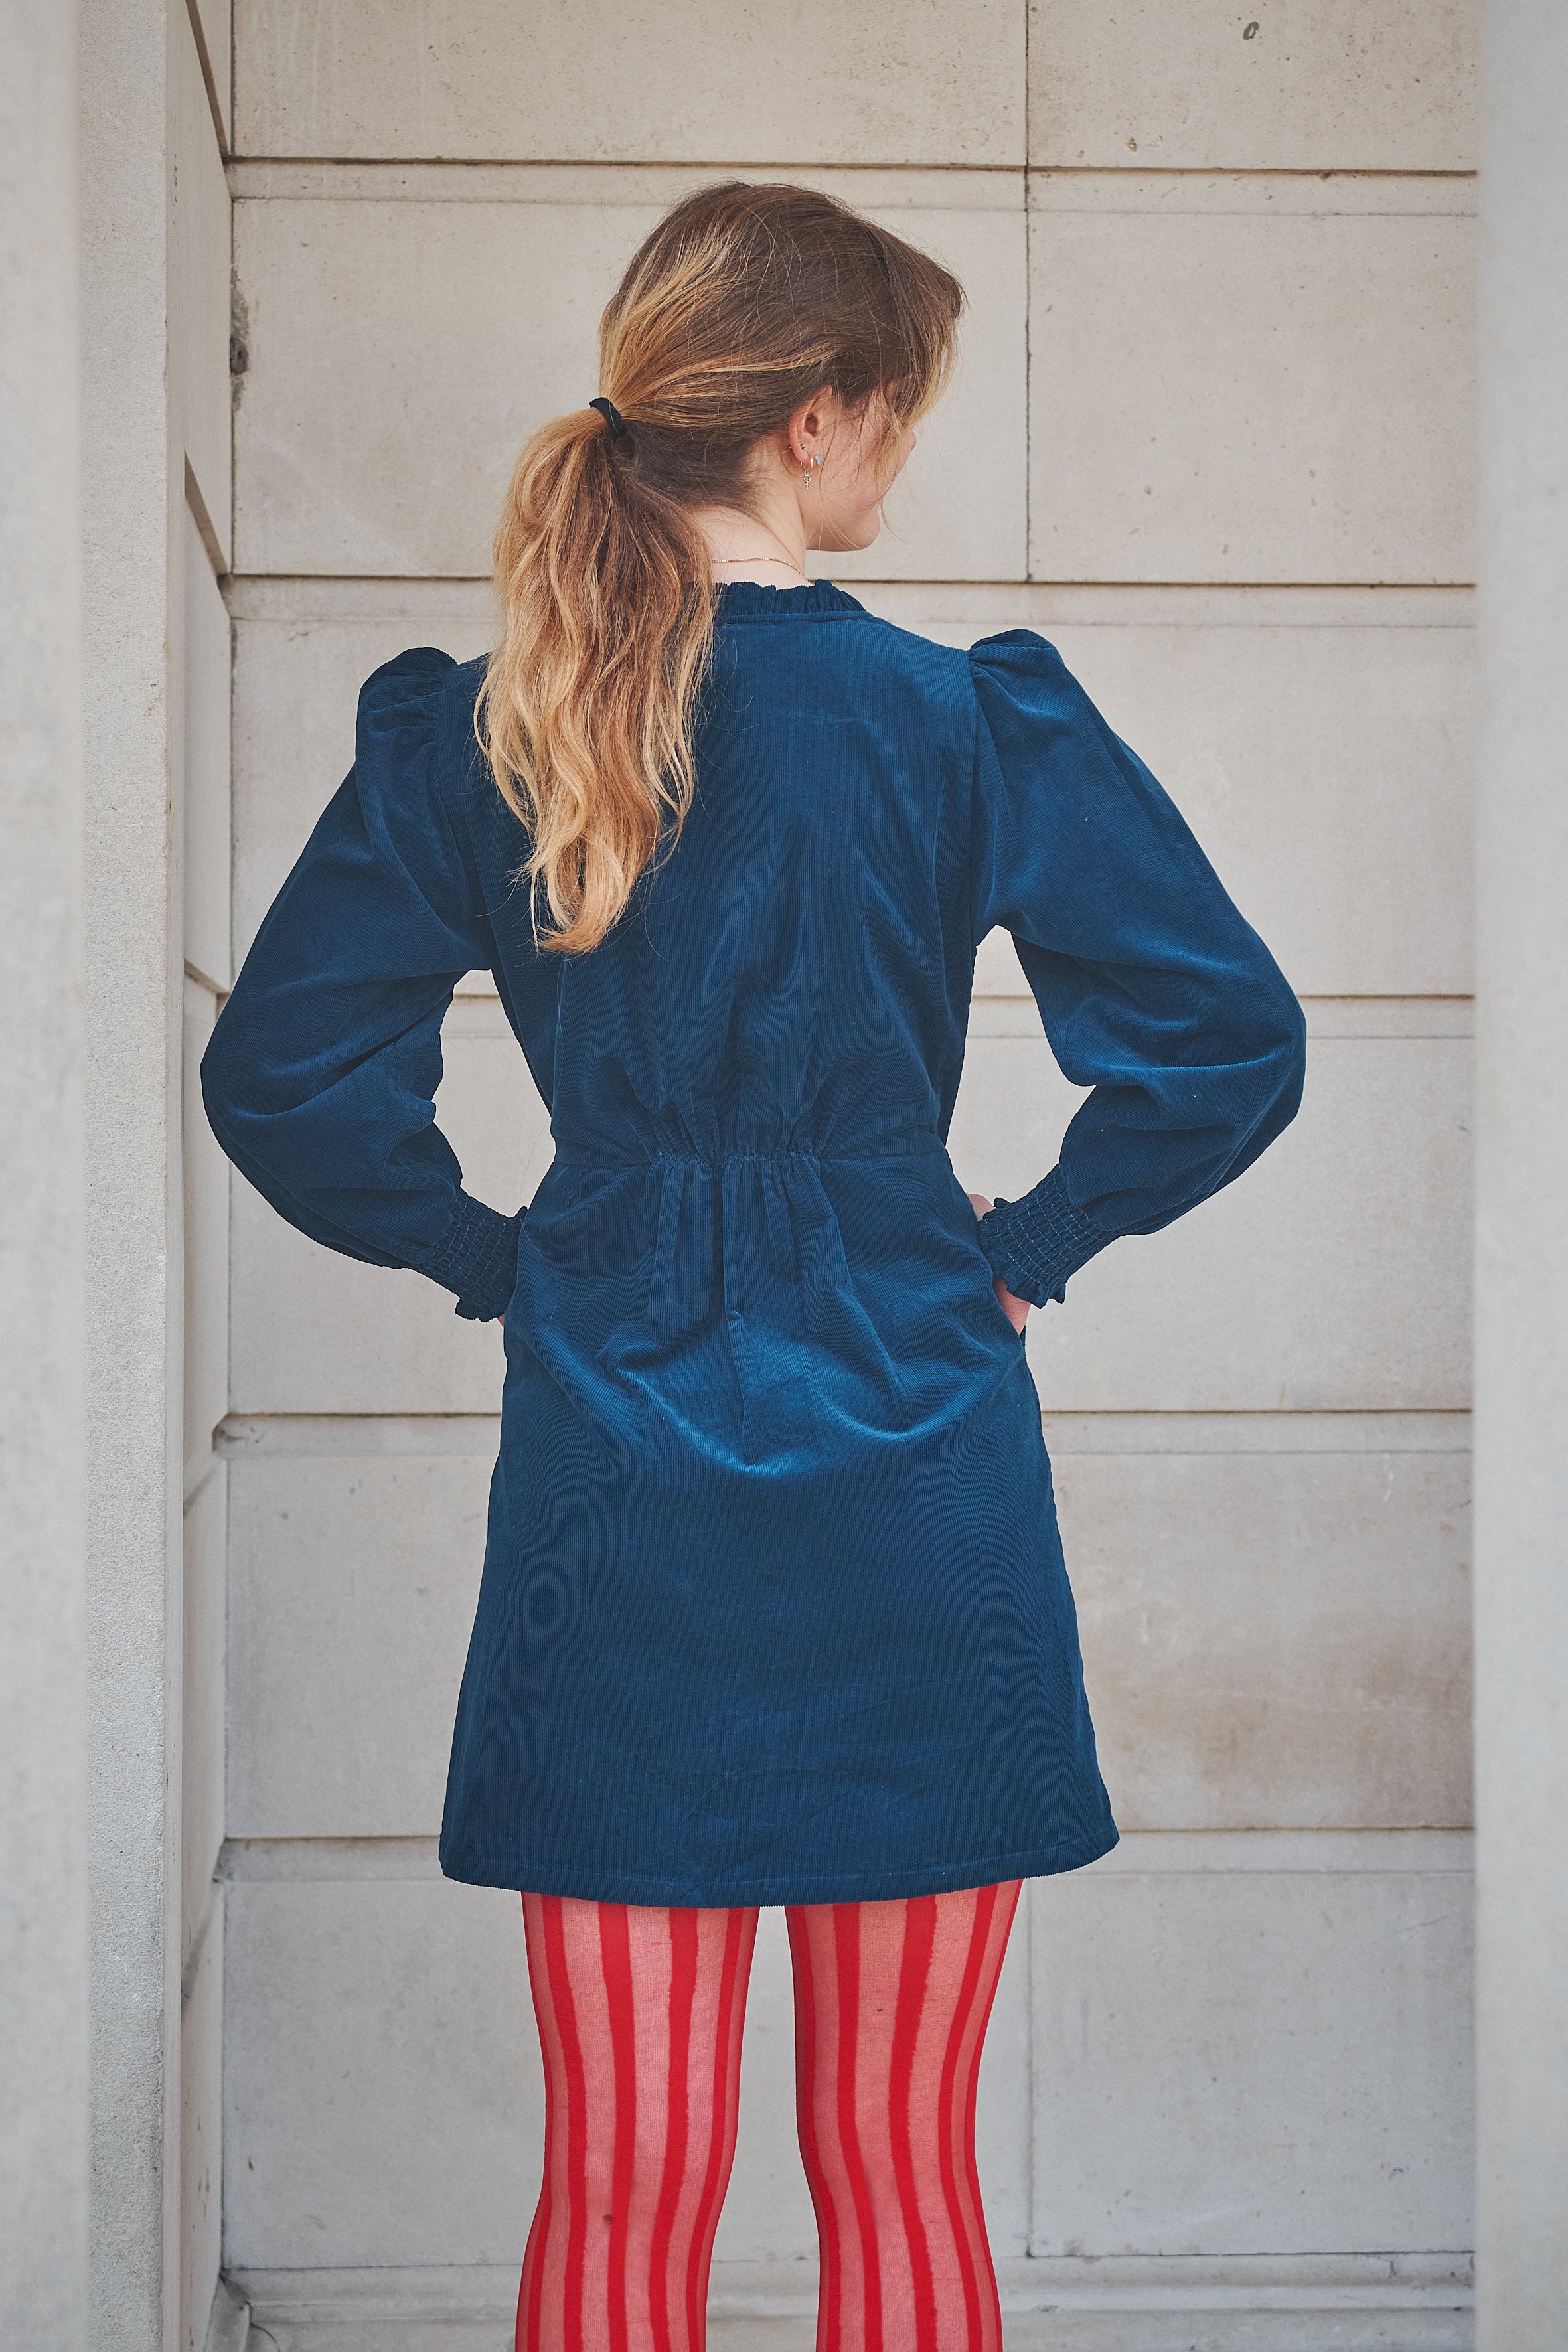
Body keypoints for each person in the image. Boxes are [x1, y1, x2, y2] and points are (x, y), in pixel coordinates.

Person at [202, 180, 1306, 2352]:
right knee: (900, 2159)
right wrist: (1031, 1246)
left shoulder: (489, 726)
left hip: (611, 1456)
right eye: (899, 412)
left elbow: (283, 1076)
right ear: (817, 418)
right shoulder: (962, 719)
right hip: (917, 1440)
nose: (896, 454)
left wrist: (502, 1261)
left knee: (620, 2173)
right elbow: (1226, 1039)